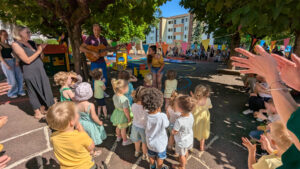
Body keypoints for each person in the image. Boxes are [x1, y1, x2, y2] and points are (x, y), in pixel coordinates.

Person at [231, 45, 300, 168]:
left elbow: (295, 124)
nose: (268, 126)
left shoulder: (270, 163)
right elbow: (295, 123)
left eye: (269, 130)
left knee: (254, 132)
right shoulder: (285, 154)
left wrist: (272, 76)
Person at [12, 26, 54, 119]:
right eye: (27, 32)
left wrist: (41, 50)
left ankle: (45, 109)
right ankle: (37, 112)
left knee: (45, 88)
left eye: (29, 32)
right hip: (30, 71)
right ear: (19, 33)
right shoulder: (16, 44)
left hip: (40, 69)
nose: (29, 34)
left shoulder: (31, 42)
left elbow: (40, 57)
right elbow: (27, 60)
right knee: (33, 91)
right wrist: (39, 51)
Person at [46, 101, 97, 169]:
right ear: (72, 122)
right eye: (77, 113)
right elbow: (91, 146)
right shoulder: (80, 136)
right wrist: (81, 129)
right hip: (86, 166)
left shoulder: (53, 137)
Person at [141, 87, 169, 169]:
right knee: (160, 157)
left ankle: (152, 166)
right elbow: (166, 125)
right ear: (160, 105)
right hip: (160, 144)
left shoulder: (145, 115)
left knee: (151, 155)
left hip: (150, 142)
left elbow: (144, 125)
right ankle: (159, 167)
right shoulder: (162, 116)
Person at [75, 82, 107, 148]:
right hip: (90, 124)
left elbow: (76, 116)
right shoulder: (90, 105)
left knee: (85, 137)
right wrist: (99, 122)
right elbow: (94, 117)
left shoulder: (76, 105)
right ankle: (92, 150)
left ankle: (86, 148)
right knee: (91, 137)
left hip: (81, 123)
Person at [172, 95, 195, 169]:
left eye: (176, 105)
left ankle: (182, 166)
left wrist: (172, 132)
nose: (174, 106)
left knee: (181, 155)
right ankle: (185, 160)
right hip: (188, 137)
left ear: (181, 109)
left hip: (182, 141)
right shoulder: (191, 115)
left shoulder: (179, 121)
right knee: (185, 151)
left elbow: (174, 131)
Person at [0, 30, 25, 98]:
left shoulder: (8, 44)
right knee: (12, 79)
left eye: (6, 34)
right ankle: (11, 93)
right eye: (4, 34)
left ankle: (20, 91)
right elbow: (0, 57)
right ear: (0, 35)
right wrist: (6, 65)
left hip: (13, 61)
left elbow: (13, 53)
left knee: (19, 76)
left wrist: (17, 60)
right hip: (6, 62)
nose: (6, 35)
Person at [110, 79, 132, 146]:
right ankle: (125, 141)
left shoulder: (114, 96)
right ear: (123, 89)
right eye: (127, 87)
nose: (128, 88)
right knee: (123, 129)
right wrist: (129, 118)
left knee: (118, 127)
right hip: (122, 115)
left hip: (117, 113)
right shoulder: (124, 99)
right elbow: (126, 110)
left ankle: (118, 137)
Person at [190, 85, 212, 151]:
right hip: (204, 118)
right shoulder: (208, 100)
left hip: (195, 118)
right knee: (203, 132)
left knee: (192, 131)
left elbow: (191, 108)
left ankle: (190, 146)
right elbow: (209, 106)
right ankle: (201, 147)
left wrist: (193, 97)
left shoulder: (194, 100)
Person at [130, 86, 148, 160]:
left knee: (137, 141)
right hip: (143, 127)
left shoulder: (133, 105)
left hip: (135, 126)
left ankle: (137, 152)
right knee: (144, 142)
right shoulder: (146, 108)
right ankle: (144, 154)